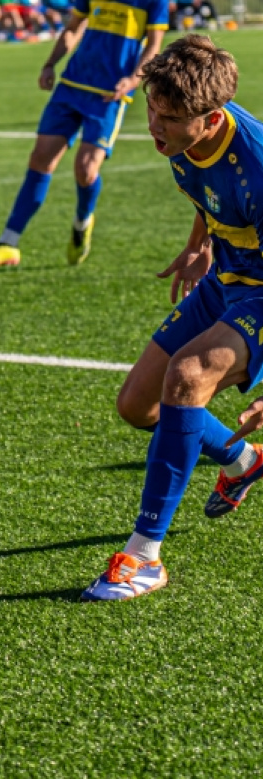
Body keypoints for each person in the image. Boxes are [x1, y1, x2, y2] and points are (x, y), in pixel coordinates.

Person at [83, 35, 263, 601]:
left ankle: (144, 558)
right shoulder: (182, 141)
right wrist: (201, 245)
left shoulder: (258, 165)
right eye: (151, 111)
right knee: (138, 405)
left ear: (211, 120)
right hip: (226, 277)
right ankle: (244, 459)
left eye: (168, 118)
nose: (153, 127)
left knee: (188, 377)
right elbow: (209, 196)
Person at [0, 0, 168, 269]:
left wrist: (134, 79)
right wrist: (50, 63)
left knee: (86, 170)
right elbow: (73, 28)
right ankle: (8, 242)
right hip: (71, 85)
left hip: (108, 94)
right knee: (41, 158)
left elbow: (153, 45)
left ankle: (82, 222)